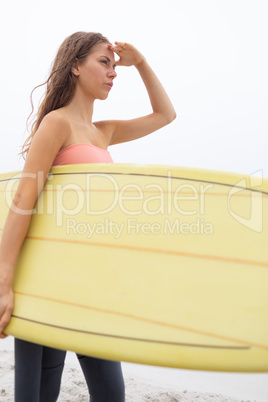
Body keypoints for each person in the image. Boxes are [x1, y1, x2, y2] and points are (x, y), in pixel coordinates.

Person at [0, 31, 176, 401]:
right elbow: (23, 199)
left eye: (114, 65)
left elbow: (166, 115)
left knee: (112, 394)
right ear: (76, 66)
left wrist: (141, 62)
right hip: (45, 282)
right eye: (104, 62)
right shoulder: (57, 124)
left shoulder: (103, 133)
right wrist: (4, 282)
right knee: (35, 395)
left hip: (91, 286)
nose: (113, 72)